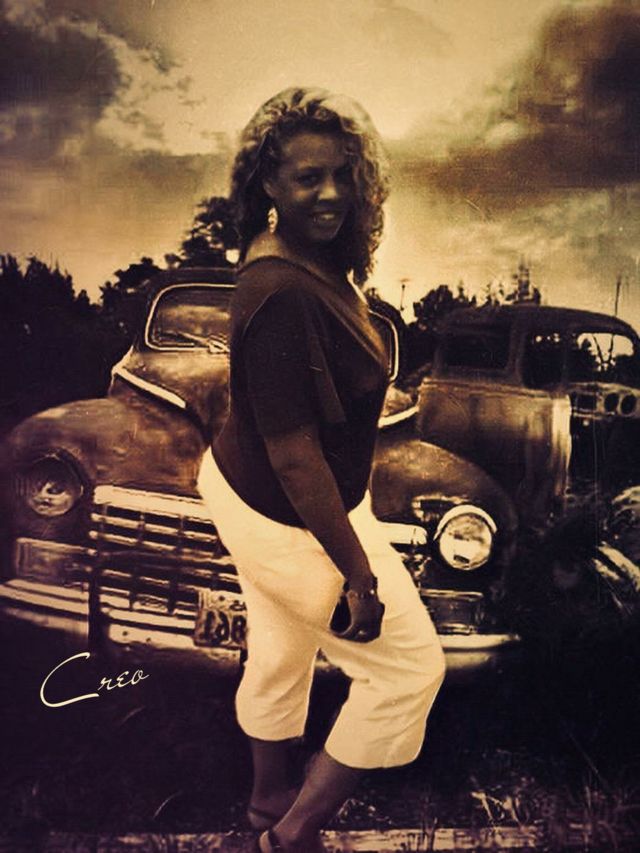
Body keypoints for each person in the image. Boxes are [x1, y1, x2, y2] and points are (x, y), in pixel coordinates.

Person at [197, 87, 445, 853]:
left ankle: (268, 801)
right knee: (410, 668)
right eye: (308, 178)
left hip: (258, 495)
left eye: (343, 174)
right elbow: (294, 453)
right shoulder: (280, 290)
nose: (332, 193)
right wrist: (357, 573)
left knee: (281, 646)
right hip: (287, 511)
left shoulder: (305, 261)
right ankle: (292, 836)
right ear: (268, 183)